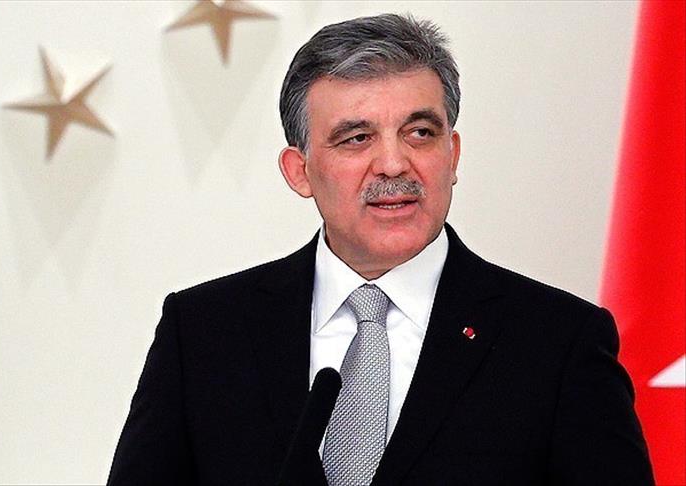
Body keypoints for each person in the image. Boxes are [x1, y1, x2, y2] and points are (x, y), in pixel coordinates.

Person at [108, 13, 654, 485]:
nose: (394, 164)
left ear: (453, 154)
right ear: (300, 171)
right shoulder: (203, 332)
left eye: (420, 133)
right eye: (357, 138)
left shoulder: (558, 342)